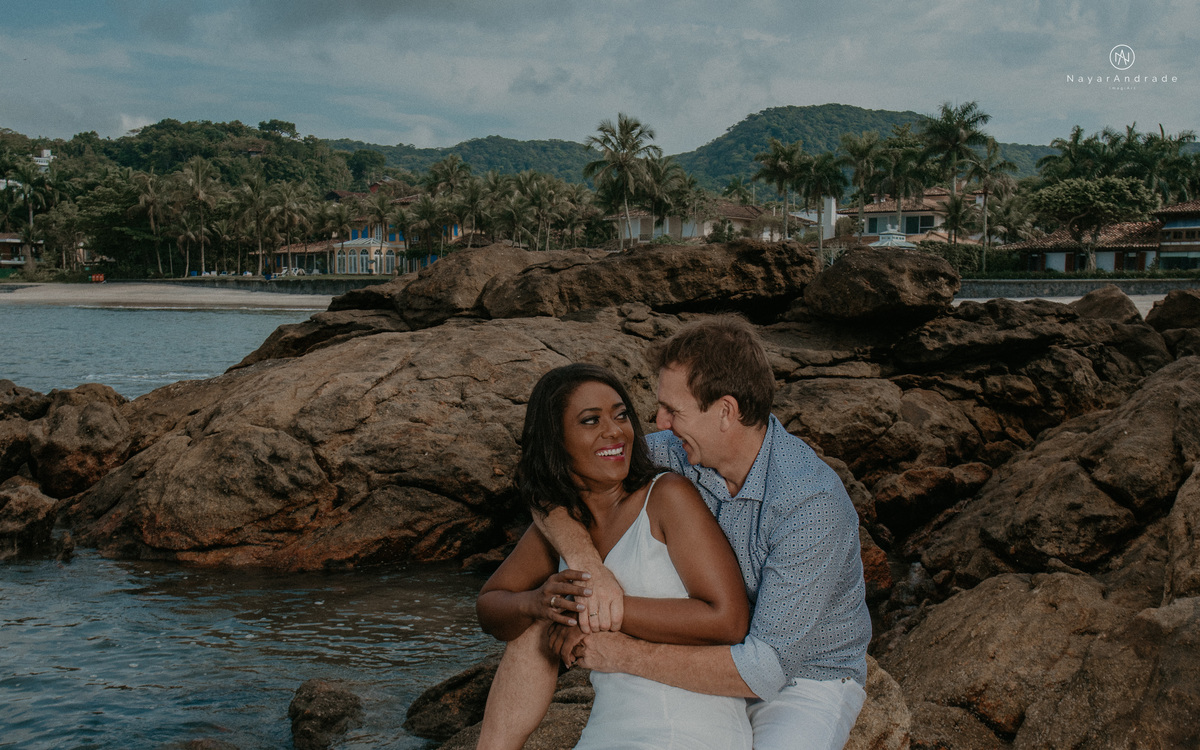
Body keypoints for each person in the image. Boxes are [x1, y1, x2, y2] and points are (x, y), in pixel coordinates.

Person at [529, 316, 872, 750]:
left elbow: (764, 670)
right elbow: (552, 484)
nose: (660, 420)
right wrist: (587, 565)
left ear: (725, 412)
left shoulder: (810, 503)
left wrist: (618, 652)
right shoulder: (672, 454)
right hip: (707, 651)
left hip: (801, 678)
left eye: (674, 410)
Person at [475, 363, 754, 750]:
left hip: (687, 727)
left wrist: (605, 614)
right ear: (556, 440)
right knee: (536, 625)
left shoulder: (666, 496)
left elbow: (728, 620)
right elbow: (490, 606)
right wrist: (536, 603)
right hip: (609, 730)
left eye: (621, 415)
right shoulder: (563, 524)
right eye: (591, 421)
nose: (615, 431)